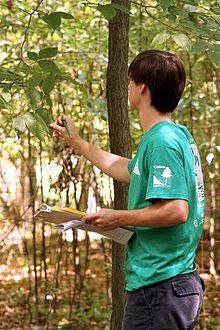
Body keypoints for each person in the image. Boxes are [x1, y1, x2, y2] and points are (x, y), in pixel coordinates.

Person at [50, 50, 205, 330]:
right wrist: (77, 142)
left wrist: (117, 217)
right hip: (169, 285)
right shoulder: (174, 134)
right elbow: (127, 170)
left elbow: (176, 210)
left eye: (130, 81)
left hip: (161, 287)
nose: (128, 87)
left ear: (142, 87)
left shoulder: (162, 141)